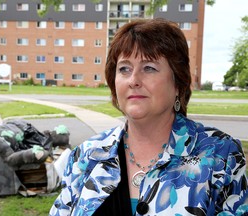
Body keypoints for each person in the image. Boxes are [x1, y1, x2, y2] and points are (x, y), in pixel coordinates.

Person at [49, 18, 247, 215]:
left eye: (149, 68)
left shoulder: (221, 156)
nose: (133, 80)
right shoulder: (86, 156)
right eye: (124, 69)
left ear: (178, 82)